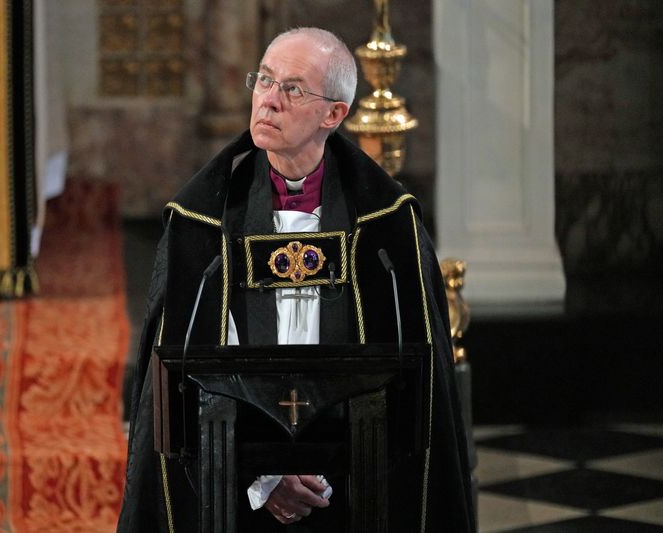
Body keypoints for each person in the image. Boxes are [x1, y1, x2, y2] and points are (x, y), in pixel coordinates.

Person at [118, 27, 475, 532]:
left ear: (334, 114)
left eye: (292, 88)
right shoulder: (205, 223)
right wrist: (264, 474)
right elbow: (183, 379)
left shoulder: (384, 226)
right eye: (263, 80)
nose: (269, 101)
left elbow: (412, 380)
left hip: (355, 484)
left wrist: (327, 467)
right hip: (234, 485)